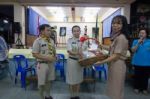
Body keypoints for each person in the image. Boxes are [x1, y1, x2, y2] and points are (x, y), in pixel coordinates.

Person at [94, 15, 129, 99]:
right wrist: (101, 45)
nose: (115, 25)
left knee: (116, 89)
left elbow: (116, 55)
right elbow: (111, 48)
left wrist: (101, 62)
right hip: (114, 65)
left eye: (118, 23)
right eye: (113, 23)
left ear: (123, 25)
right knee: (114, 88)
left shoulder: (121, 38)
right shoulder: (117, 36)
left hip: (118, 65)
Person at [32, 24, 56, 99]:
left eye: (50, 30)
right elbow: (34, 54)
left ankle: (47, 96)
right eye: (48, 30)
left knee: (49, 81)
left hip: (51, 64)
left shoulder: (51, 41)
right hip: (42, 65)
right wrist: (47, 58)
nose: (50, 32)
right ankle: (41, 97)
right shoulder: (38, 41)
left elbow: (53, 51)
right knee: (41, 83)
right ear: (42, 31)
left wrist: (55, 56)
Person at [66, 25, 83, 99]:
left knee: (78, 79)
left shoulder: (83, 41)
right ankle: (72, 95)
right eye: (74, 31)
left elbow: (85, 51)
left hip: (80, 62)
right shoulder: (70, 40)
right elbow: (70, 51)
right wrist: (78, 53)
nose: (76, 32)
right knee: (72, 80)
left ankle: (77, 95)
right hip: (72, 62)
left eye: (78, 30)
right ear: (72, 32)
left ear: (80, 31)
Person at [131, 28, 150, 94]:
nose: (141, 34)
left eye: (143, 33)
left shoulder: (149, 41)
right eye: (140, 33)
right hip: (137, 62)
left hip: (147, 63)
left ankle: (144, 88)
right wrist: (138, 43)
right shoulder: (135, 41)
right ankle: (136, 87)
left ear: (146, 34)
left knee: (145, 77)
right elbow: (133, 50)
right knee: (137, 76)